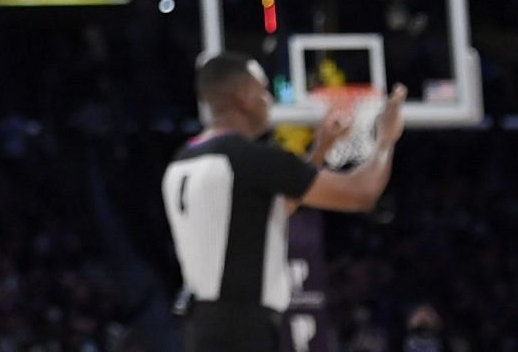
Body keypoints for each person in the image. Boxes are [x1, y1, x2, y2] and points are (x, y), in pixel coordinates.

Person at [163, 53, 406, 352]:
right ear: (245, 97)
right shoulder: (250, 160)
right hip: (243, 329)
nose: (268, 100)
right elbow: (361, 193)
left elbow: (275, 210)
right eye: (263, 90)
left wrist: (321, 150)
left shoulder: (183, 159)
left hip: (199, 326)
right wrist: (386, 139)